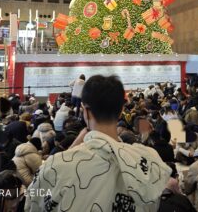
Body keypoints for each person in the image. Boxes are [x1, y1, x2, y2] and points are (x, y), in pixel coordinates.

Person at [26, 75, 171, 211]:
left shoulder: (55, 166)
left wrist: (69, 150)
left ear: (86, 112)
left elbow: (32, 203)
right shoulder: (148, 159)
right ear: (121, 111)